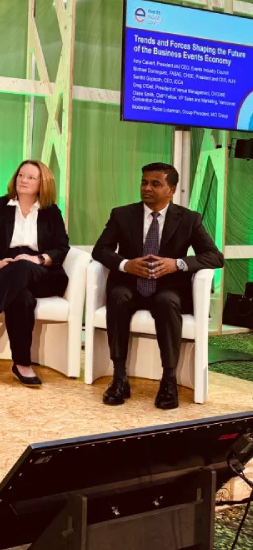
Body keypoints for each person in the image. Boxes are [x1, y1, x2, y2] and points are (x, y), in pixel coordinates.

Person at [93, 162, 224, 410]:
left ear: (171, 190)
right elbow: (101, 250)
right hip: (130, 284)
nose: (147, 188)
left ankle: (169, 381)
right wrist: (125, 265)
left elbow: (215, 256)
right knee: (118, 296)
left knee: (167, 302)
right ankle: (119, 378)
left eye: (155, 184)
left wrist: (178, 264)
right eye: (144, 182)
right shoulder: (122, 215)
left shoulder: (188, 219)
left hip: (168, 288)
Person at [0, 160, 70, 387]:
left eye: (31, 177)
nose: (24, 180)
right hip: (6, 268)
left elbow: (62, 248)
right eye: (21, 175)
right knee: (21, 298)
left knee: (22, 265)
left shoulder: (51, 212)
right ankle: (22, 364)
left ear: (42, 183)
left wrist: (36, 259)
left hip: (43, 272)